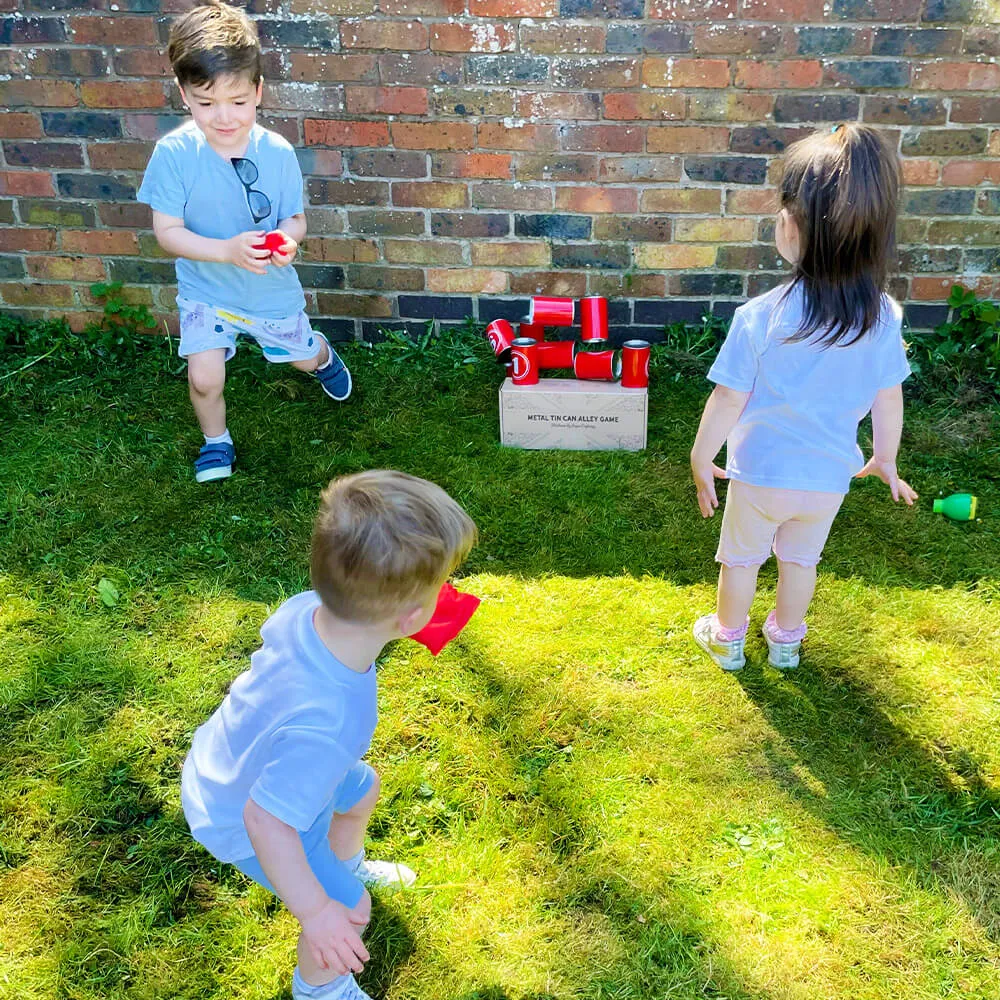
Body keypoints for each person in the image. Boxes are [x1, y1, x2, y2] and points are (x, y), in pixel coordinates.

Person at [181, 470, 477, 1000]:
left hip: (240, 757)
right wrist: (317, 911)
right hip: (240, 811)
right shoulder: (330, 721)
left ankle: (344, 865)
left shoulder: (309, 608)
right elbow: (264, 821)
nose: (447, 597)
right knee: (348, 910)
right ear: (410, 617)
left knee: (362, 790)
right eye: (439, 591)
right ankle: (321, 989)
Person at [689, 123, 917, 672]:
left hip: (762, 476)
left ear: (790, 227)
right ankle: (786, 641)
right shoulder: (884, 318)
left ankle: (727, 639)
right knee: (800, 560)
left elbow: (727, 399)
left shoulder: (760, 317)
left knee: (740, 560)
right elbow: (890, 400)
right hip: (827, 481)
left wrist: (701, 456)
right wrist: (884, 459)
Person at [137, 0, 351, 484]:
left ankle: (321, 357)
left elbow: (294, 220)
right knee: (204, 377)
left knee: (298, 358)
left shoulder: (276, 152)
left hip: (267, 291)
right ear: (184, 94)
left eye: (237, 102)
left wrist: (286, 242)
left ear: (259, 90)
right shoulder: (173, 154)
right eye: (206, 102)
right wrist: (226, 251)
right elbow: (166, 231)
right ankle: (217, 443)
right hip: (205, 292)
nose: (224, 117)